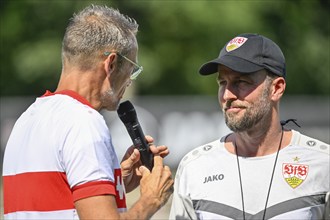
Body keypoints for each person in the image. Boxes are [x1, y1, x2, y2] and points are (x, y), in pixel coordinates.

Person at [3, 5, 174, 219]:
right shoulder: (83, 121)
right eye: (132, 69)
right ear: (111, 63)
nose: (130, 81)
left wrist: (114, 182)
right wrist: (151, 200)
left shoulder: (27, 119)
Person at [169, 33, 329, 219]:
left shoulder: (323, 163)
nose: (227, 95)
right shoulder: (194, 167)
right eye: (222, 82)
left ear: (276, 88)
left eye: (241, 82)